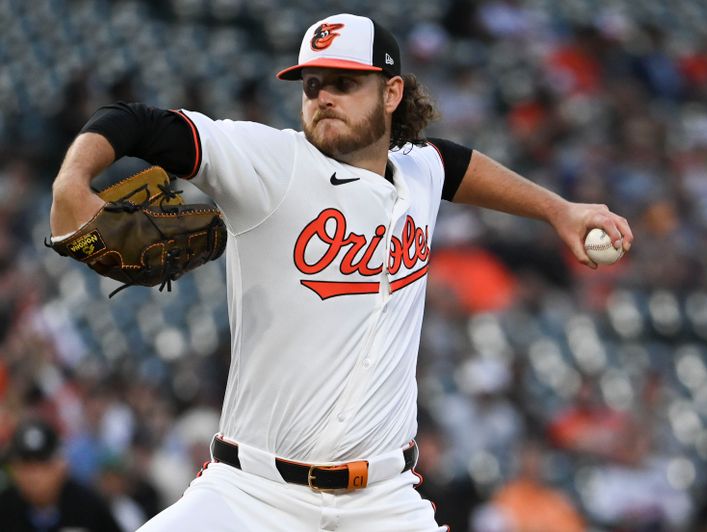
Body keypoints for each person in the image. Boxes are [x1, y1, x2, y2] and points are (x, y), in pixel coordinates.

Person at [49, 13, 632, 531]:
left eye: (345, 83)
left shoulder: (418, 173)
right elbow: (137, 122)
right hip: (252, 495)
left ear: (392, 92)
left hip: (383, 501)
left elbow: (452, 164)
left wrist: (559, 209)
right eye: (313, 85)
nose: (324, 96)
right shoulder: (270, 164)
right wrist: (72, 180)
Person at [0, 417, 122, 532]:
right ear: (14, 468)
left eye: (43, 463)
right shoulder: (5, 508)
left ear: (62, 466)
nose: (34, 476)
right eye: (26, 464)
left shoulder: (89, 507)